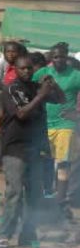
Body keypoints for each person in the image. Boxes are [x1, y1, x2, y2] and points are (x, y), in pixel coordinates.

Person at [0, 56, 63, 248]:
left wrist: (53, 84)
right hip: (15, 148)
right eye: (23, 68)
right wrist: (41, 96)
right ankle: (4, 234)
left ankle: (28, 234)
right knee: (15, 193)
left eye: (29, 69)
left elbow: (61, 99)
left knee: (34, 195)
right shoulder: (11, 89)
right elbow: (21, 114)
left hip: (35, 148)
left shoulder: (35, 87)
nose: (27, 71)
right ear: (15, 69)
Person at [33, 43, 80, 221]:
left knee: (63, 162)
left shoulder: (75, 75)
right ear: (51, 58)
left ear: (67, 57)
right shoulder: (43, 73)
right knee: (44, 161)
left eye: (61, 57)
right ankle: (44, 198)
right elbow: (29, 87)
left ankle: (60, 201)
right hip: (44, 123)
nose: (58, 60)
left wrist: (76, 114)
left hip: (65, 124)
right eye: (55, 57)